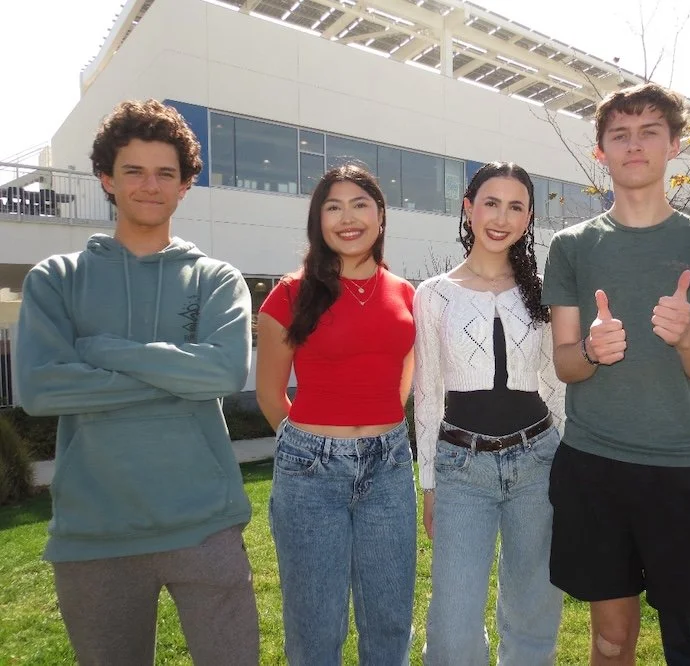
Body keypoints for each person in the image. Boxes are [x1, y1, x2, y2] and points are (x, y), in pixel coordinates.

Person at [14, 100, 258, 665]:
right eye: (134, 171)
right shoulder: (57, 279)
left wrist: (103, 351)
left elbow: (224, 372)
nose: (150, 185)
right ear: (107, 178)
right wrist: (180, 377)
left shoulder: (216, 280)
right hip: (96, 535)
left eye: (165, 173)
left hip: (207, 526)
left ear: (184, 186)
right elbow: (42, 390)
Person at [540, 82, 690, 665]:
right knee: (610, 641)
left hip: (684, 469)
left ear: (674, 145)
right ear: (601, 151)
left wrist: (685, 337)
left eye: (649, 132)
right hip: (594, 467)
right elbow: (564, 364)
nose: (634, 145)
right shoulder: (571, 246)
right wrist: (591, 350)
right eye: (620, 135)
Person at [255, 163, 417, 666]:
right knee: (316, 625)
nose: (348, 218)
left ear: (381, 215)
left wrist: (378, 424)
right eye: (333, 207)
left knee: (390, 619)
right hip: (310, 474)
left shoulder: (406, 293)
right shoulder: (290, 294)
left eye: (359, 205)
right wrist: (311, 448)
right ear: (318, 221)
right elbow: (270, 395)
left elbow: (405, 375)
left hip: (389, 466)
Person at [414, 162, 566, 665]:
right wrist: (429, 484)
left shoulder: (542, 290)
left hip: (538, 463)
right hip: (462, 469)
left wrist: (567, 462)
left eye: (516, 207)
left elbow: (557, 382)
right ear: (468, 209)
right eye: (491, 203)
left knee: (533, 610)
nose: (502, 218)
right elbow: (427, 393)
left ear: (529, 218)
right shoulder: (434, 294)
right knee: (453, 626)